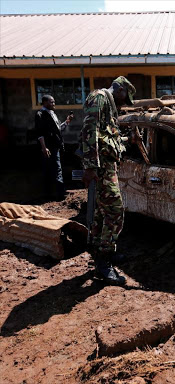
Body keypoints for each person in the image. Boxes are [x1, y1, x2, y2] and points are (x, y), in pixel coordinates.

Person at [81, 76, 136, 285]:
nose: (125, 103)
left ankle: (101, 253)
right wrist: (90, 166)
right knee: (115, 211)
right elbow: (89, 130)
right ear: (120, 89)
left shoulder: (109, 104)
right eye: (126, 98)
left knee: (101, 213)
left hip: (106, 165)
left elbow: (106, 136)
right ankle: (104, 262)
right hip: (100, 167)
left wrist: (127, 139)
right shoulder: (100, 98)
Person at [35, 95, 73, 201]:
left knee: (55, 169)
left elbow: (58, 130)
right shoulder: (40, 114)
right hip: (49, 147)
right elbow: (40, 133)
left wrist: (67, 122)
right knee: (55, 169)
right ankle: (60, 195)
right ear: (45, 102)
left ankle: (53, 194)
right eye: (51, 102)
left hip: (56, 146)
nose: (53, 104)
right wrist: (44, 147)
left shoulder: (52, 114)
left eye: (54, 102)